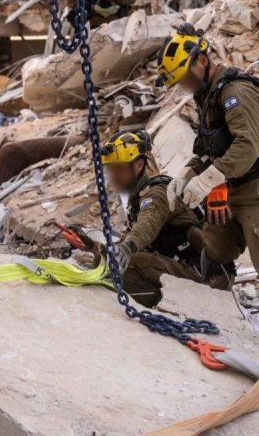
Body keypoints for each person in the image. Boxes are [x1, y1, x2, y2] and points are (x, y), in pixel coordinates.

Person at [155, 24, 259, 341]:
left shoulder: (236, 92)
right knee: (214, 255)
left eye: (185, 77)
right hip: (229, 190)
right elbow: (210, 148)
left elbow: (245, 148)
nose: (184, 85)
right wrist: (187, 174)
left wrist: (206, 181)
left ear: (200, 60)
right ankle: (218, 323)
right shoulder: (208, 96)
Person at [94, 130, 226, 307]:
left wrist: (128, 247)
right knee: (103, 259)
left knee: (133, 262)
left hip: (208, 274)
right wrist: (91, 247)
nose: (113, 175)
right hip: (186, 268)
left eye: (119, 168)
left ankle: (169, 305)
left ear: (139, 165)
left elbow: (148, 223)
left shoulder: (156, 194)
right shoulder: (138, 197)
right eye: (111, 169)